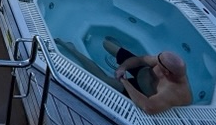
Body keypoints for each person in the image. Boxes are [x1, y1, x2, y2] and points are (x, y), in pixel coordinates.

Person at [56, 37, 192, 114]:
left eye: (159, 62)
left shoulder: (174, 91)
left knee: (105, 81)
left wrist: (124, 81)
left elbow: (148, 106)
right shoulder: (163, 61)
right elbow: (141, 60)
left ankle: (72, 50)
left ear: (167, 72)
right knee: (106, 44)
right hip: (143, 72)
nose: (156, 60)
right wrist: (123, 67)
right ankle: (119, 54)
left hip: (140, 91)